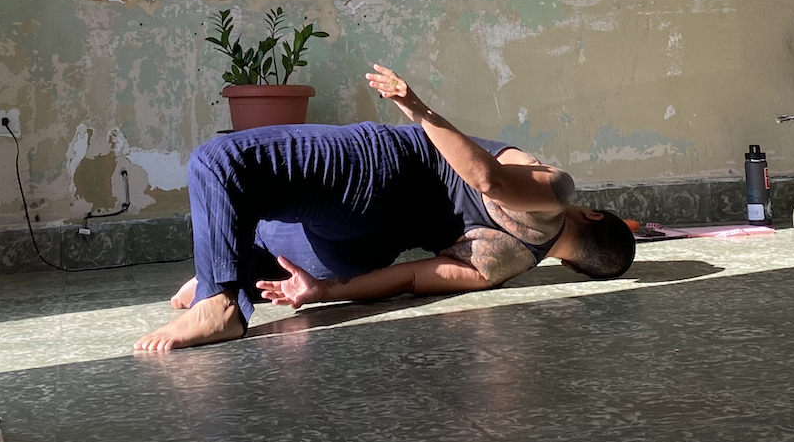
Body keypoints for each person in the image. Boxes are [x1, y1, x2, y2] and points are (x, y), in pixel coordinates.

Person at [134, 64, 636, 351]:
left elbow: (488, 178)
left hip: (380, 171)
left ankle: (220, 301)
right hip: (354, 251)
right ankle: (231, 274)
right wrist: (322, 290)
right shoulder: (507, 264)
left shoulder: (555, 194)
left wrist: (418, 109)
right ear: (571, 263)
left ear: (591, 214)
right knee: (263, 229)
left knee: (221, 163)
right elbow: (411, 279)